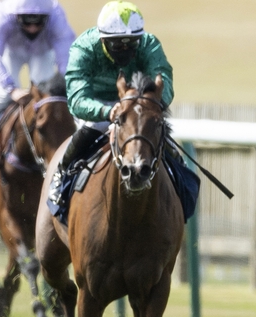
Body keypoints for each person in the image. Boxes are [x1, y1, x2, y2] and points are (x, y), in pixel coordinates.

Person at [48, 0, 173, 205]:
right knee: (90, 131)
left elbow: (164, 82)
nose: (125, 49)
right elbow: (77, 99)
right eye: (117, 44)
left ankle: (182, 191)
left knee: (169, 148)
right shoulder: (84, 48)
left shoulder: (149, 45)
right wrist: (107, 111)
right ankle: (61, 175)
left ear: (139, 39)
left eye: (131, 43)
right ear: (103, 39)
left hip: (138, 105)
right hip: (99, 107)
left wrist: (148, 104)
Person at [0, 0, 75, 154]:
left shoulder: (56, 14)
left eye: (39, 22)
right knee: (3, 94)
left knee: (48, 97)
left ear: (47, 16)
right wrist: (11, 89)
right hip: (12, 52)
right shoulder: (3, 14)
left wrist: (63, 86)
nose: (33, 28)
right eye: (27, 22)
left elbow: (66, 55)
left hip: (42, 53)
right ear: (16, 16)